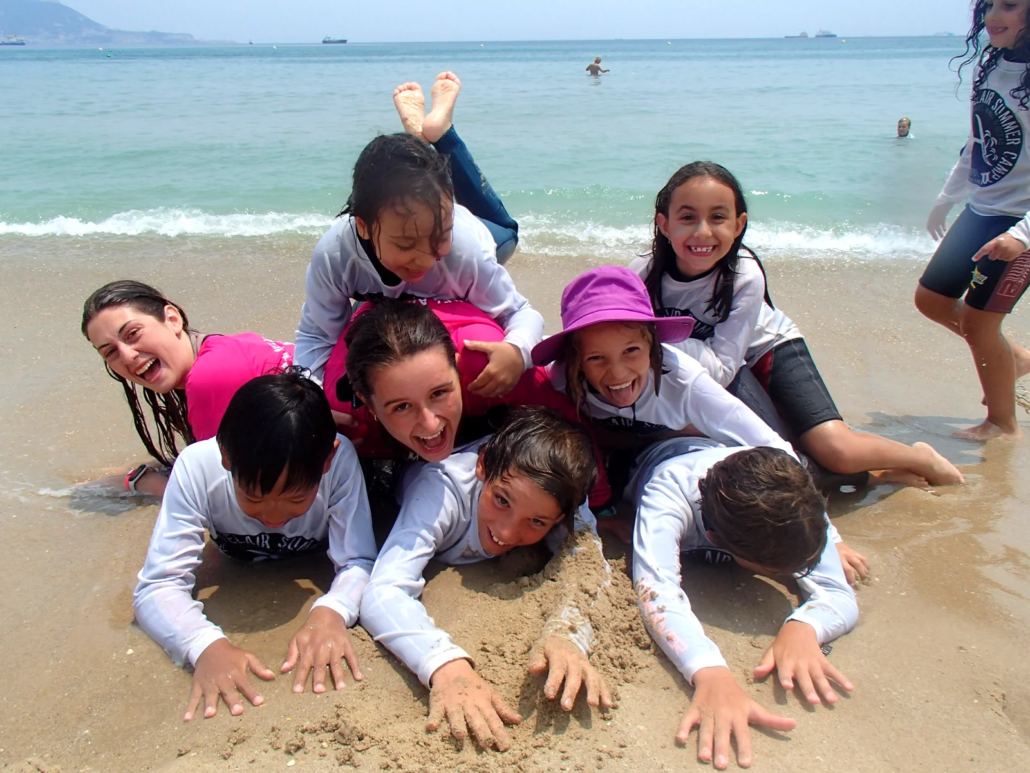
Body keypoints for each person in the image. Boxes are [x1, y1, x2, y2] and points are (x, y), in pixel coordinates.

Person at [630, 162, 965, 490]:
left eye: (718, 217)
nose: (702, 231)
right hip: (711, 367)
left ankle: (917, 457)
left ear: (738, 224)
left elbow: (721, 368)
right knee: (770, 457)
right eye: (687, 217)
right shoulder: (644, 272)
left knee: (836, 450)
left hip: (768, 350)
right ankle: (875, 478)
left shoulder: (744, 274)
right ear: (664, 223)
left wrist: (659, 345)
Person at [533, 266, 870, 583]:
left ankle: (880, 467)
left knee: (801, 464)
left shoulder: (684, 380)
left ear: (653, 344)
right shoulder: (562, 378)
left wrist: (830, 540)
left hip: (698, 448)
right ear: (576, 359)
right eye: (596, 358)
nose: (618, 372)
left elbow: (772, 446)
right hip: (629, 459)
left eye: (631, 351)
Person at [360, 407, 614, 751]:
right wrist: (446, 667)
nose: (508, 531)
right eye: (501, 500)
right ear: (482, 467)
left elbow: (589, 568)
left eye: (537, 523)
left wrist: (568, 635)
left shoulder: (565, 498)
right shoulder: (441, 491)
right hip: (399, 470)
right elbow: (383, 591)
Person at [133, 370, 377, 721]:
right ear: (226, 459)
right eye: (253, 497)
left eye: (295, 499)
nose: (274, 515)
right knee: (156, 488)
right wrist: (203, 645)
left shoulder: (338, 463)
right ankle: (138, 480)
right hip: (228, 549)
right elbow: (156, 586)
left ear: (326, 461)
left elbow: (358, 560)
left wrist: (332, 611)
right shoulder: (197, 466)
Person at [295, 72, 540, 400]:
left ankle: (441, 134)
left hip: (481, 232)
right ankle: (420, 141)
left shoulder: (462, 251)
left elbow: (522, 314)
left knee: (509, 232)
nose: (425, 259)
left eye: (438, 239)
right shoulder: (336, 254)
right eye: (406, 244)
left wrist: (516, 350)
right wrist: (310, 402)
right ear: (364, 227)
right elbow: (317, 337)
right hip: (433, 212)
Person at [629, 437, 857, 769]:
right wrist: (709, 673)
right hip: (653, 454)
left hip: (741, 463)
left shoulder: (793, 493)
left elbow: (838, 593)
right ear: (719, 542)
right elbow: (655, 592)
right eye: (783, 570)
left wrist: (806, 627)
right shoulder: (667, 493)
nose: (794, 574)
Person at [334, 298, 612, 505]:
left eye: (439, 393)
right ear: (367, 404)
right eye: (401, 406)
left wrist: (600, 502)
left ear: (458, 370)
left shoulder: (487, 375)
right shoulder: (346, 417)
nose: (430, 423)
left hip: (462, 328)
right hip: (372, 328)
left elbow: (568, 418)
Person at [916, 0, 1030, 440]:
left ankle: (1002, 424)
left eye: (1010, 5)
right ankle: (1013, 359)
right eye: (988, 6)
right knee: (931, 299)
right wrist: (948, 197)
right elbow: (977, 141)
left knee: (982, 324)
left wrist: (1021, 236)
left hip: (1020, 221)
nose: (993, 16)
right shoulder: (993, 66)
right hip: (981, 208)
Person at [82, 280, 293, 497]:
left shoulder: (210, 376)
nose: (127, 356)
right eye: (110, 352)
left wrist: (144, 481)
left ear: (173, 319)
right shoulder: (223, 348)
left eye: (133, 334)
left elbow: (222, 496)